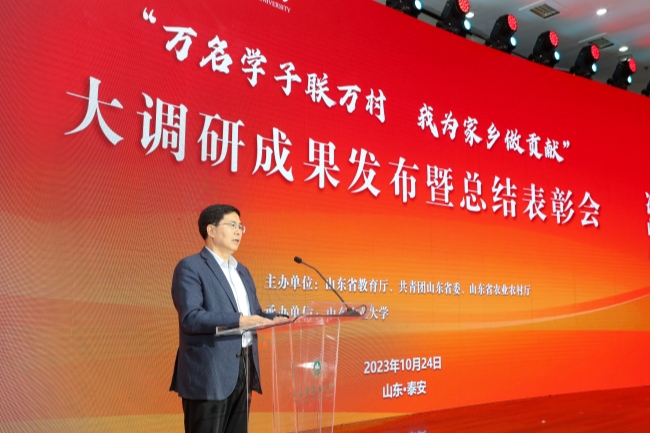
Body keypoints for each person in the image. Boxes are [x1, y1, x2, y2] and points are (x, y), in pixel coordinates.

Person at [170, 204, 283, 433]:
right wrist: (239, 321)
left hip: (243, 368)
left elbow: (254, 313)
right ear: (211, 230)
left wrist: (280, 318)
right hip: (209, 374)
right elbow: (191, 318)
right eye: (232, 225)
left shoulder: (242, 271)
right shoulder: (190, 267)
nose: (238, 231)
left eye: (241, 226)